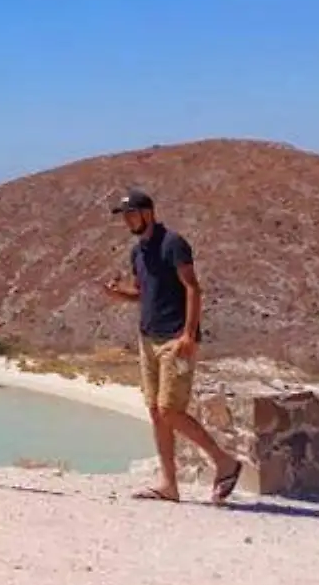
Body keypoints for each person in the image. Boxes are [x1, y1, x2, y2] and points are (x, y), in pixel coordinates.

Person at [103, 189, 243, 504]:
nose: (127, 220)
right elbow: (143, 294)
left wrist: (189, 335)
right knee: (155, 412)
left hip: (175, 340)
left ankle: (224, 462)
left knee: (170, 410)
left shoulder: (173, 244)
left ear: (148, 213)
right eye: (124, 216)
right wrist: (119, 295)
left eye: (131, 214)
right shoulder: (137, 252)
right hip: (148, 339)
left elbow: (192, 287)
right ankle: (168, 484)